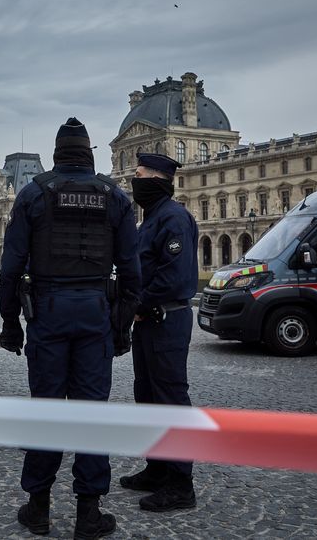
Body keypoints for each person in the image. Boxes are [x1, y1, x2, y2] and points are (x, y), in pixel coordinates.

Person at [0, 117, 141, 539]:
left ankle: (39, 507)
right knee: (91, 412)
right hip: (96, 309)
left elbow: (10, 269)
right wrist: (122, 324)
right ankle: (88, 513)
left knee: (45, 409)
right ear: (90, 153)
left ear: (57, 153)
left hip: (48, 310)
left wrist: (10, 321)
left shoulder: (33, 193)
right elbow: (131, 270)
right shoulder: (114, 196)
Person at [119, 153, 199, 511]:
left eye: (138, 175)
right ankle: (157, 468)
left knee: (170, 400)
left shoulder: (174, 218)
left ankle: (181, 484)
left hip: (166, 319)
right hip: (150, 321)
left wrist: (139, 302)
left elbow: (175, 277)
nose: (134, 182)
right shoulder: (152, 219)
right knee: (147, 396)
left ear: (156, 179)